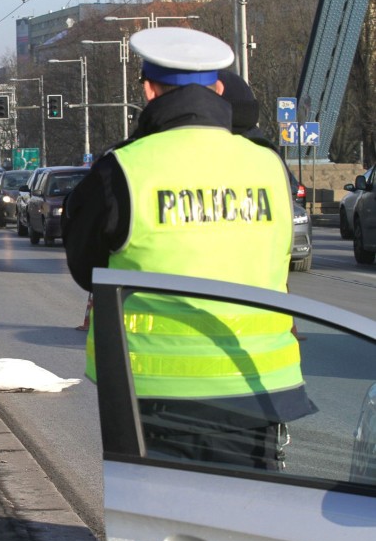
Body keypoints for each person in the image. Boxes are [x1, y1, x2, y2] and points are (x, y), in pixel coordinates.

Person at [61, 27, 315, 470]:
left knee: (162, 528)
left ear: (147, 89)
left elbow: (87, 271)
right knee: (247, 524)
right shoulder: (270, 166)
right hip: (260, 385)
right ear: (219, 88)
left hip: (156, 395)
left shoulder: (122, 170)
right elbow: (282, 255)